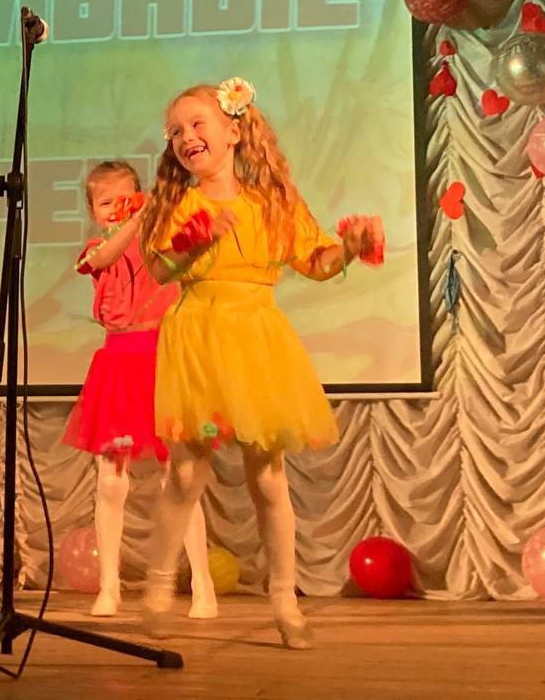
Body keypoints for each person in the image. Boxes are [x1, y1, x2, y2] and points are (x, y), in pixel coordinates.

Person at [138, 78, 383, 649]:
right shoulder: (178, 204)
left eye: (197, 124)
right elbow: (159, 270)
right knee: (186, 473)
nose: (185, 137)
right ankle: (157, 587)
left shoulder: (271, 204)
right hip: (199, 341)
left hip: (255, 342)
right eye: (175, 131)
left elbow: (316, 262)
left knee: (269, 479)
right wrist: (193, 241)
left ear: (233, 131)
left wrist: (348, 247)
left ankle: (283, 600)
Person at [64, 160, 216, 619]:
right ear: (93, 211)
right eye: (104, 203)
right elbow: (103, 260)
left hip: (164, 362)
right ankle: (109, 588)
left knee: (180, 477)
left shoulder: (161, 244)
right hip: (118, 365)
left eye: (125, 199)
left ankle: (203, 586)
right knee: (111, 482)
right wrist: (133, 219)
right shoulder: (97, 248)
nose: (115, 209)